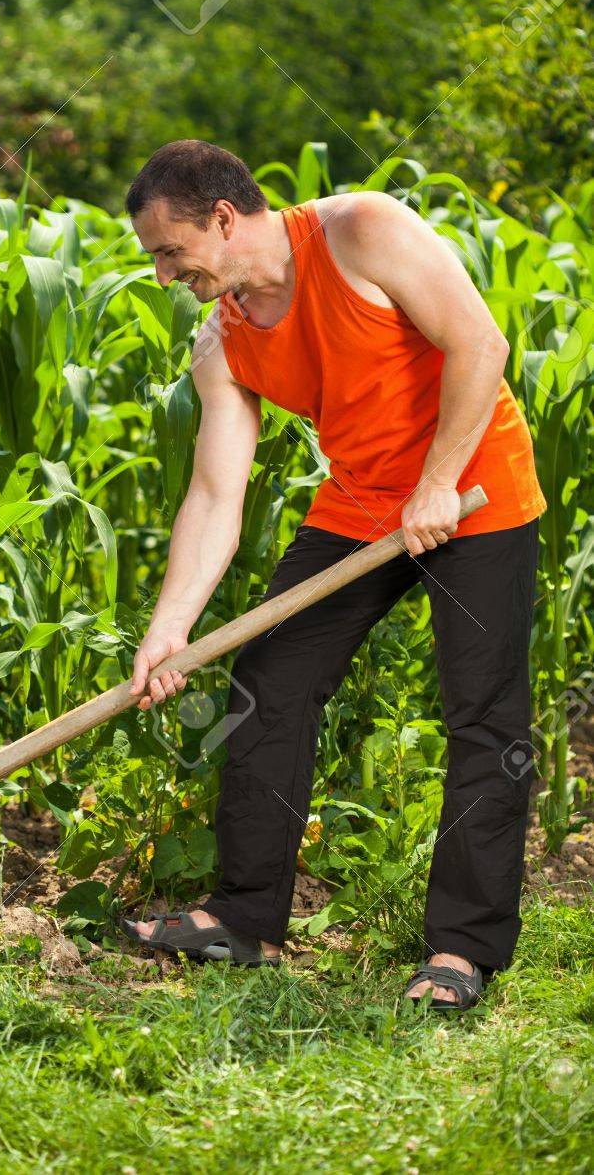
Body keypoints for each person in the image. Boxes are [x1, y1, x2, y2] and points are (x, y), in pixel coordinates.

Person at [120, 140, 545, 1010]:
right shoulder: (224, 343)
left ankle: (462, 952)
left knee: (482, 715)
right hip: (360, 507)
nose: (164, 274)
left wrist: (435, 485)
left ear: (225, 218)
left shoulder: (362, 232)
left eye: (171, 251)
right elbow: (213, 495)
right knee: (269, 678)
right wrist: (171, 628)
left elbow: (481, 344)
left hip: (473, 490)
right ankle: (245, 921)